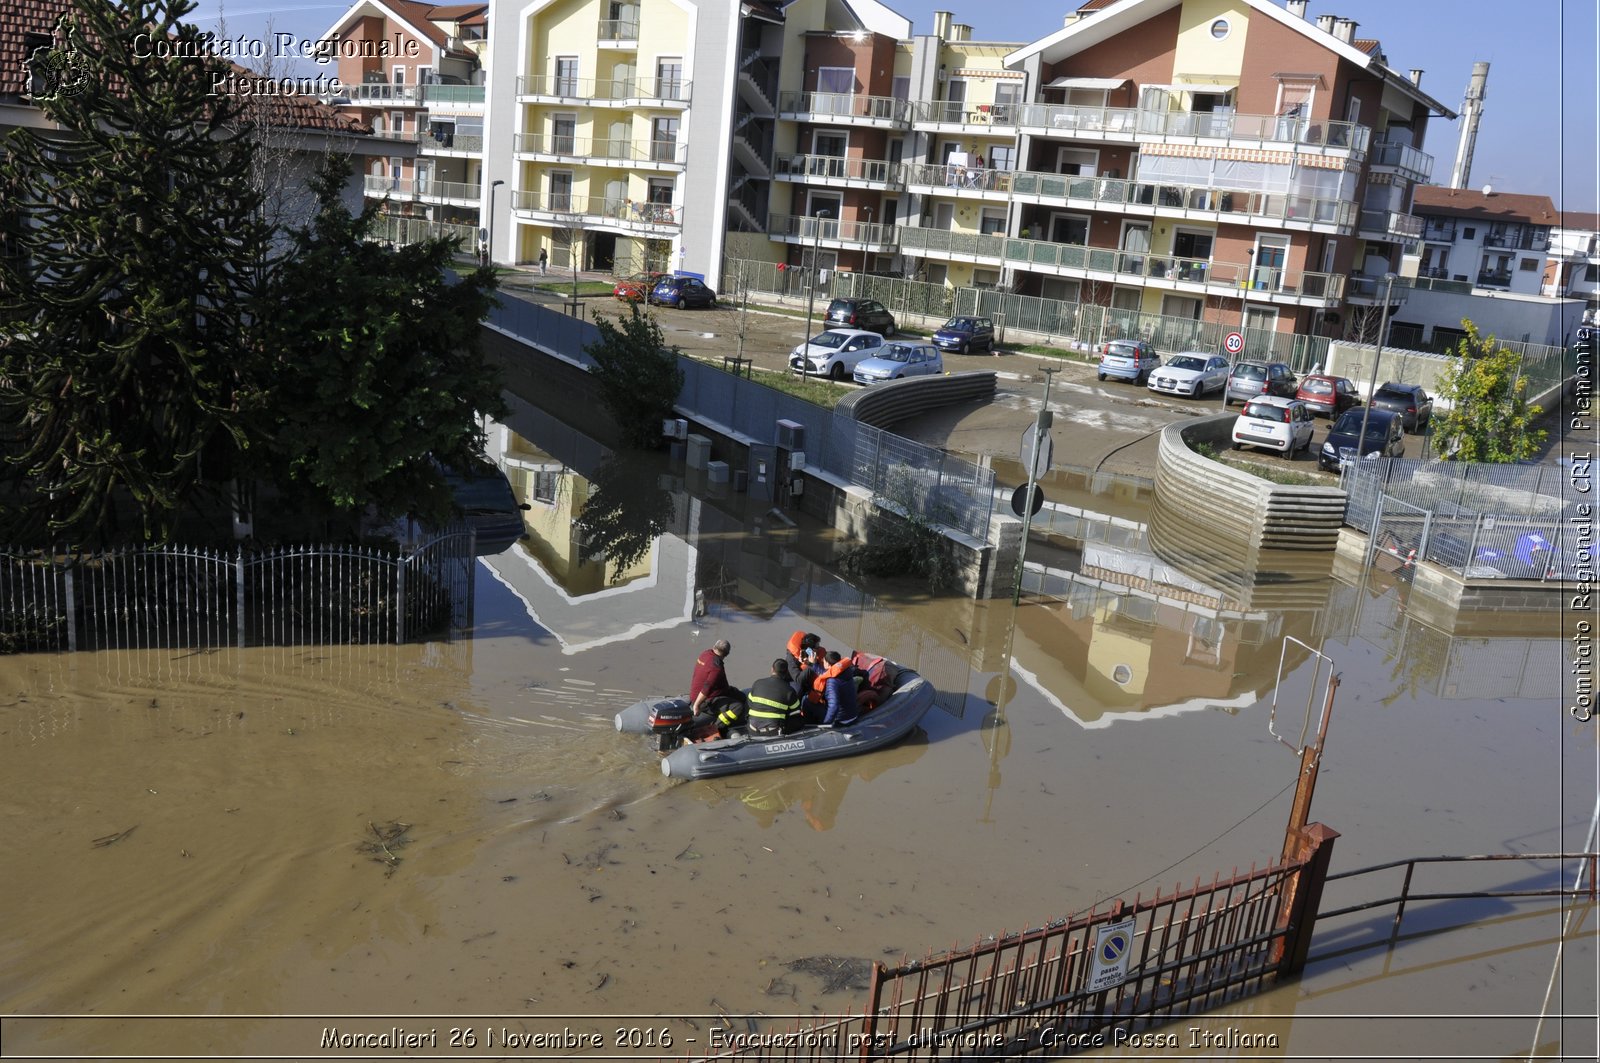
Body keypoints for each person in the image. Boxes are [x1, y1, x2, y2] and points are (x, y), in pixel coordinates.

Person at [720, 659, 804, 737]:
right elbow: (796, 712)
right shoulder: (789, 690)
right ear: (786, 673)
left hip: (752, 729)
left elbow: (748, 705)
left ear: (772, 669)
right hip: (773, 731)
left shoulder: (757, 683)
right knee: (799, 720)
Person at [688, 639, 740, 737]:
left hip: (705, 692)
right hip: (706, 700)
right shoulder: (716, 667)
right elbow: (707, 688)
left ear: (714, 647)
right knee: (738, 707)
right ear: (727, 654)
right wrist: (696, 705)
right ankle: (717, 728)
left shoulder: (705, 654)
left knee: (739, 695)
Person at [808, 650, 859, 728]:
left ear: (828, 665)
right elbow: (827, 673)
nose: (822, 662)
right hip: (853, 714)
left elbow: (834, 706)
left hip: (842, 720)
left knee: (807, 701)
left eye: (824, 661)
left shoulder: (832, 682)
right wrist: (814, 664)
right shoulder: (846, 670)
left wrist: (826, 724)